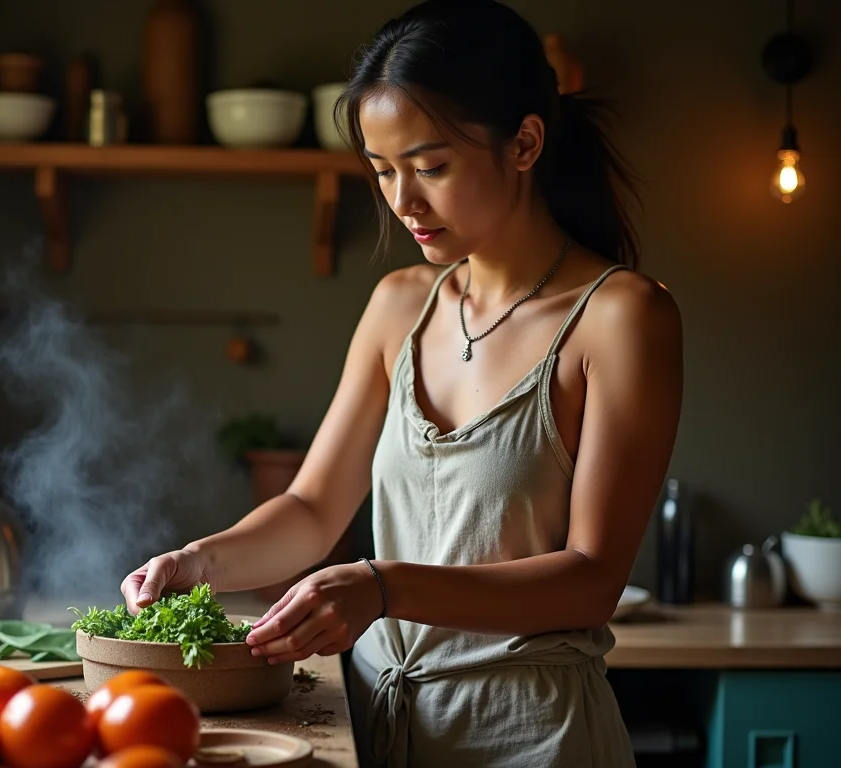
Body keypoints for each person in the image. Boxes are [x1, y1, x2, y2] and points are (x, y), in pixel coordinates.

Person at [120, 0, 683, 765]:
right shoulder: (399, 305)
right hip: (379, 726)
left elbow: (590, 581)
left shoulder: (621, 317)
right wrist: (198, 564)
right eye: (383, 171)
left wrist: (383, 587)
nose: (403, 201)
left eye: (432, 166)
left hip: (531, 737)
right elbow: (313, 509)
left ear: (524, 142)